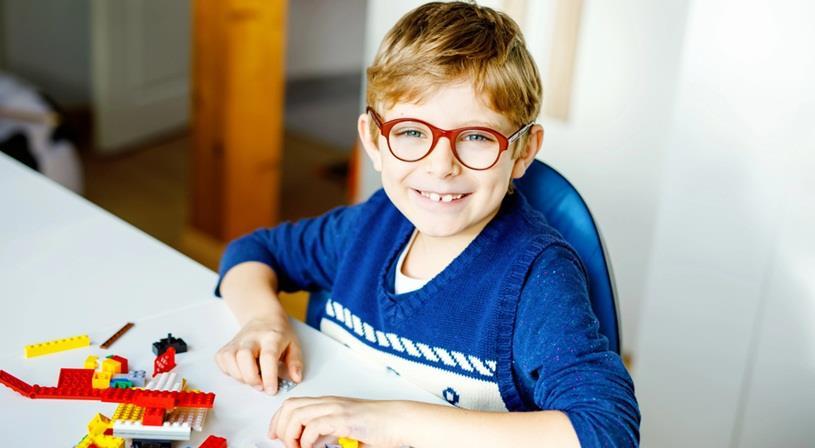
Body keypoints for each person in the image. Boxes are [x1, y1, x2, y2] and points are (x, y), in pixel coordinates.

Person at [214, 2, 640, 447]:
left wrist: (392, 420)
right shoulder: (370, 225)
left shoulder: (537, 277)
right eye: (413, 132)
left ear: (523, 152)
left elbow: (606, 430)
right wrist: (263, 320)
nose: (440, 166)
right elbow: (253, 251)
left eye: (476, 137)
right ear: (374, 140)